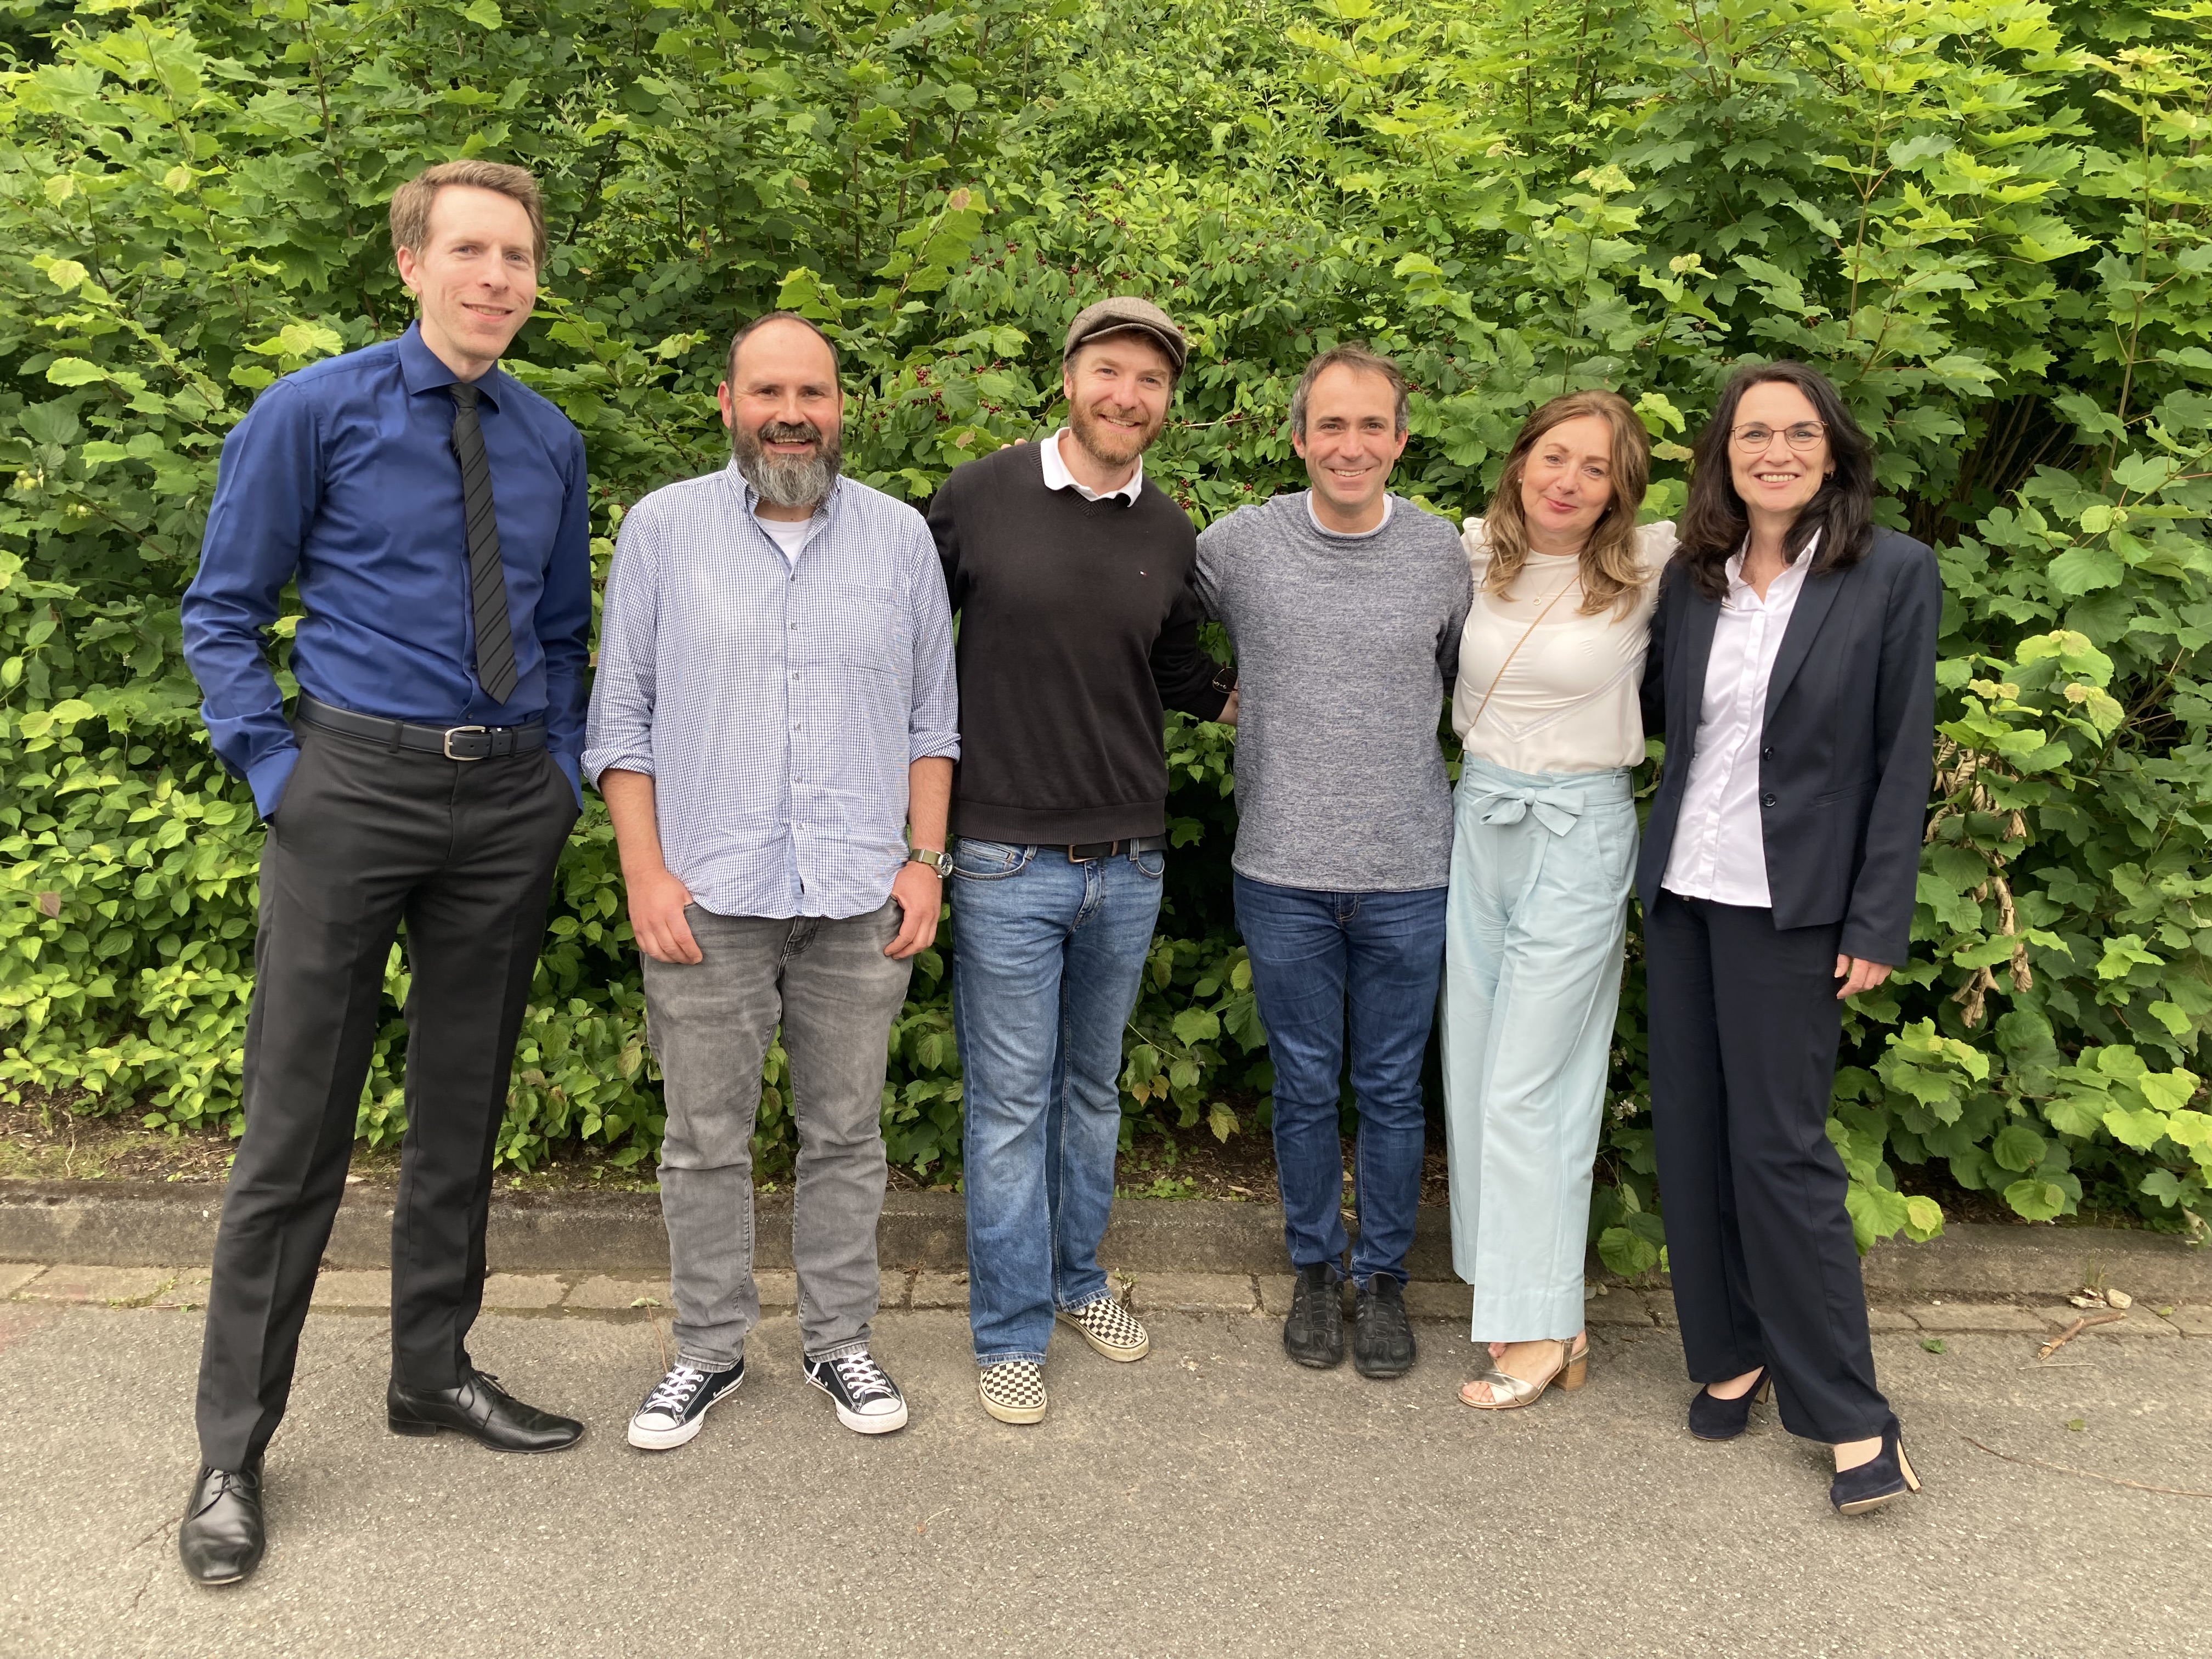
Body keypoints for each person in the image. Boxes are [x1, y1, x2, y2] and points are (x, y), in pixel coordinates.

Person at [174, 161, 592, 1585]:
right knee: (294, 1134)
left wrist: (563, 775)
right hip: (348, 789)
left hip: (503, 807)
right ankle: (232, 1449)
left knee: (461, 1106)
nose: (496, 276)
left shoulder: (547, 439)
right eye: (469, 249)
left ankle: (432, 1369)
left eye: (518, 255)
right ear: (410, 264)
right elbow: (223, 607)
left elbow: (561, 630)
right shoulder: (317, 412)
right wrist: (280, 778)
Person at [585, 313, 958, 1448]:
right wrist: (645, 872)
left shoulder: (899, 539)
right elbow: (623, 720)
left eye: (814, 392)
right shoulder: (663, 531)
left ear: (845, 405)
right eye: (768, 393)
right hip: (707, 891)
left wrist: (924, 863)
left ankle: (839, 1339)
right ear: (728, 403)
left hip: (858, 894)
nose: (792, 413)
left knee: (847, 1135)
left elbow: (931, 718)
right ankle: (707, 1348)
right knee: (705, 1139)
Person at [1639, 359, 1939, 1514]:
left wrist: (1876, 917)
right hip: (1686, 892)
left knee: (1782, 1152)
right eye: (1754, 433)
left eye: (1798, 433)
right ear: (1723, 452)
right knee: (1694, 1133)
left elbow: (1901, 756)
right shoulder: (1695, 574)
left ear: (1833, 448)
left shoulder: (1892, 573)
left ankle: (1852, 1415)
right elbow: (1664, 717)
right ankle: (1733, 1351)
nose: (1776, 452)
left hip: (1795, 906)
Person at [928, 297, 1233, 1424]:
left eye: (1150, 382)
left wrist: (1292, 706)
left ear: (1166, 405)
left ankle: (1075, 1281)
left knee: (1090, 1092)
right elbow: (906, 640)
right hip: (1006, 857)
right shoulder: (979, 496)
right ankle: (1009, 1331)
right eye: (1110, 372)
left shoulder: (1169, 531)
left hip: (1129, 860)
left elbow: (1180, 674)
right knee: (1010, 1106)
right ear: (1070, 379)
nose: (1127, 396)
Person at [1193, 345, 1470, 1378]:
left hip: (1411, 870)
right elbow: (1147, 614)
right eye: (1331, 426)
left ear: (1400, 440)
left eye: (1372, 427)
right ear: (1299, 438)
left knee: (1394, 1090)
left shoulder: (1443, 554)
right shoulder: (1242, 546)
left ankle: (1386, 1279)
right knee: (1306, 1087)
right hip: (1281, 869)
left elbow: (1474, 683)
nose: (1350, 446)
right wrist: (1222, 695)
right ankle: (1316, 1266)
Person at [1443, 391, 1674, 1412]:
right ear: (1521, 461)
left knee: (1532, 1084)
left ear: (1622, 489)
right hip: (1479, 818)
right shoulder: (1468, 558)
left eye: (1596, 467)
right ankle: (1524, 1306)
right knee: (1476, 1069)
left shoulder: (1654, 569)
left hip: (1579, 834)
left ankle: (1544, 1321)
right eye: (1553, 457)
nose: (1568, 481)